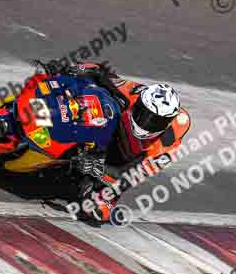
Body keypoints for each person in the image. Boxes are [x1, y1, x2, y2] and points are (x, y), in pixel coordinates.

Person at [55, 61, 192, 223]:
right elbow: (105, 75)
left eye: (155, 121)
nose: (146, 123)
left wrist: (98, 167)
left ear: (167, 124)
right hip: (108, 135)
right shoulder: (136, 93)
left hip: (119, 164)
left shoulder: (166, 148)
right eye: (143, 113)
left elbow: (129, 176)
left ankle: (94, 189)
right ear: (140, 103)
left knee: (96, 211)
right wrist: (77, 68)